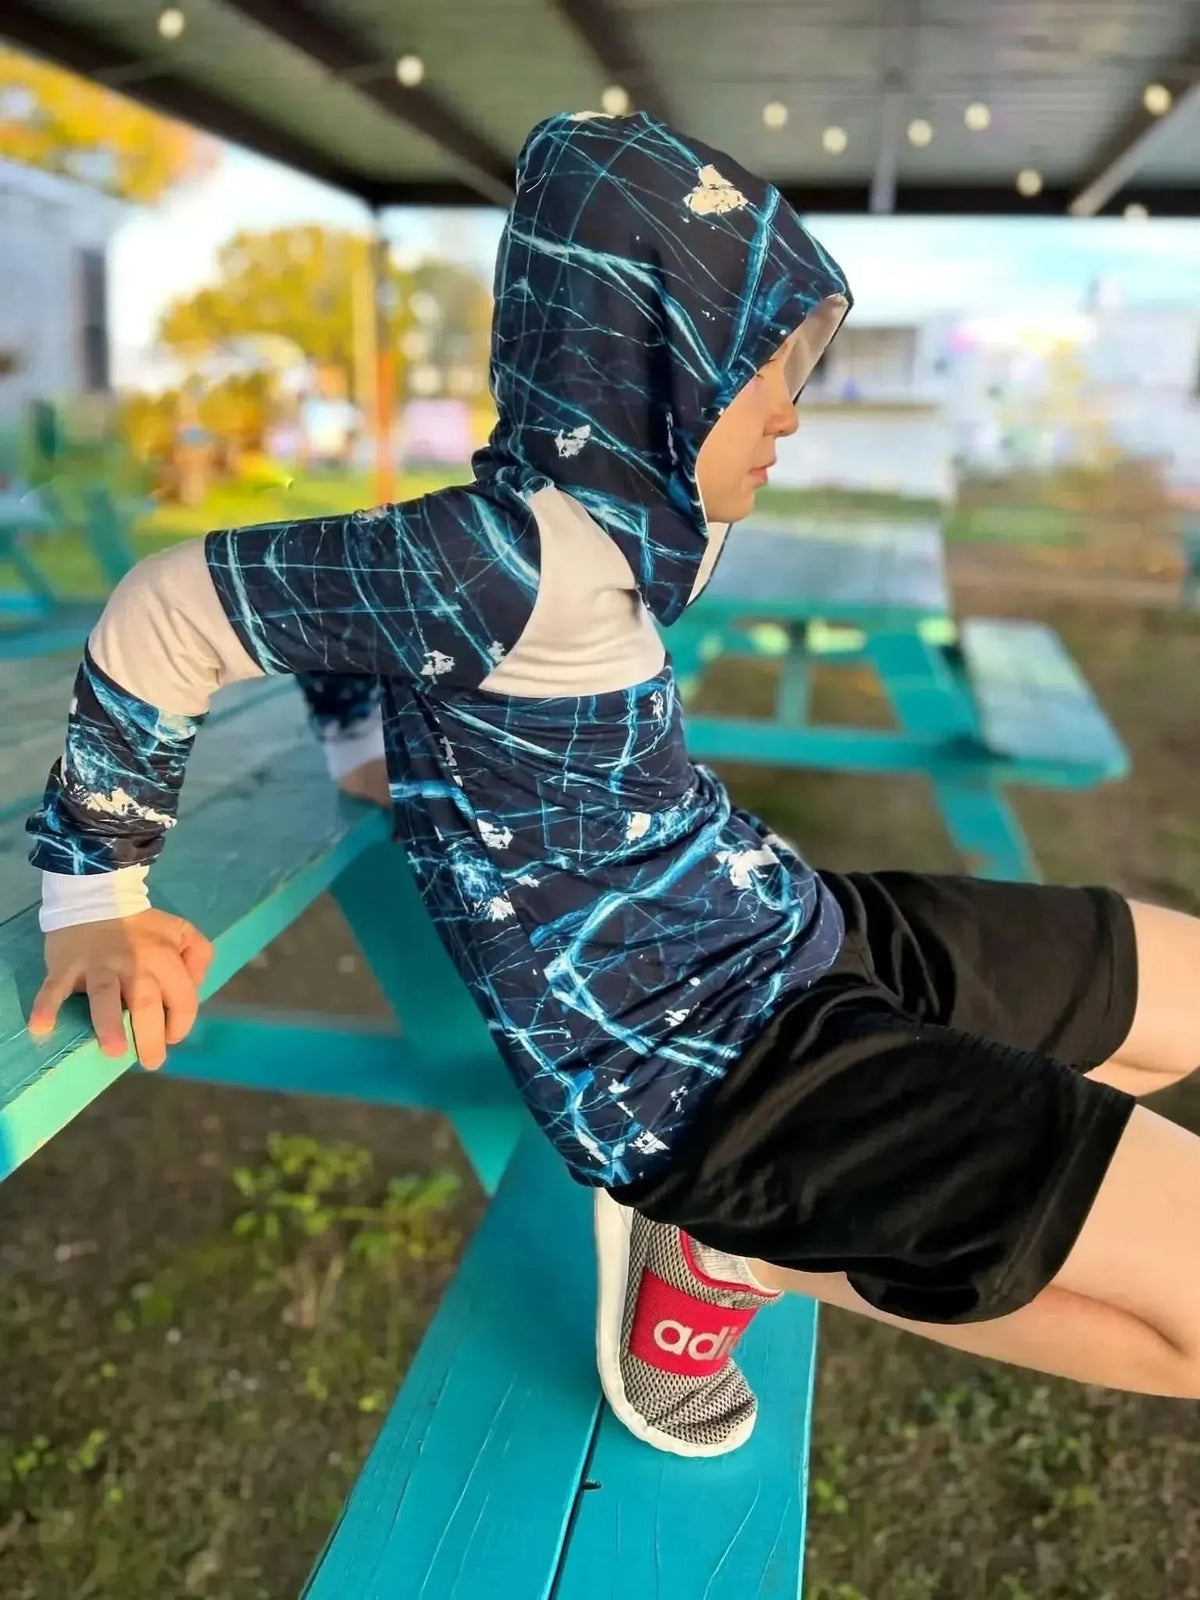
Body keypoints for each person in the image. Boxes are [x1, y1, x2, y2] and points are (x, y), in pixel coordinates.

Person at [24, 112, 1200, 1463]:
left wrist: (365, 744)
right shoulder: (512, 557)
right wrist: (94, 891)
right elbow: (178, 606)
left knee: (1176, 1007)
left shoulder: (637, 531)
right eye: (761, 367)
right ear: (651, 362)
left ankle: (806, 1211)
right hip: (705, 1074)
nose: (792, 409)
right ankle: (739, 1244)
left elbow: (344, 610)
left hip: (781, 927)